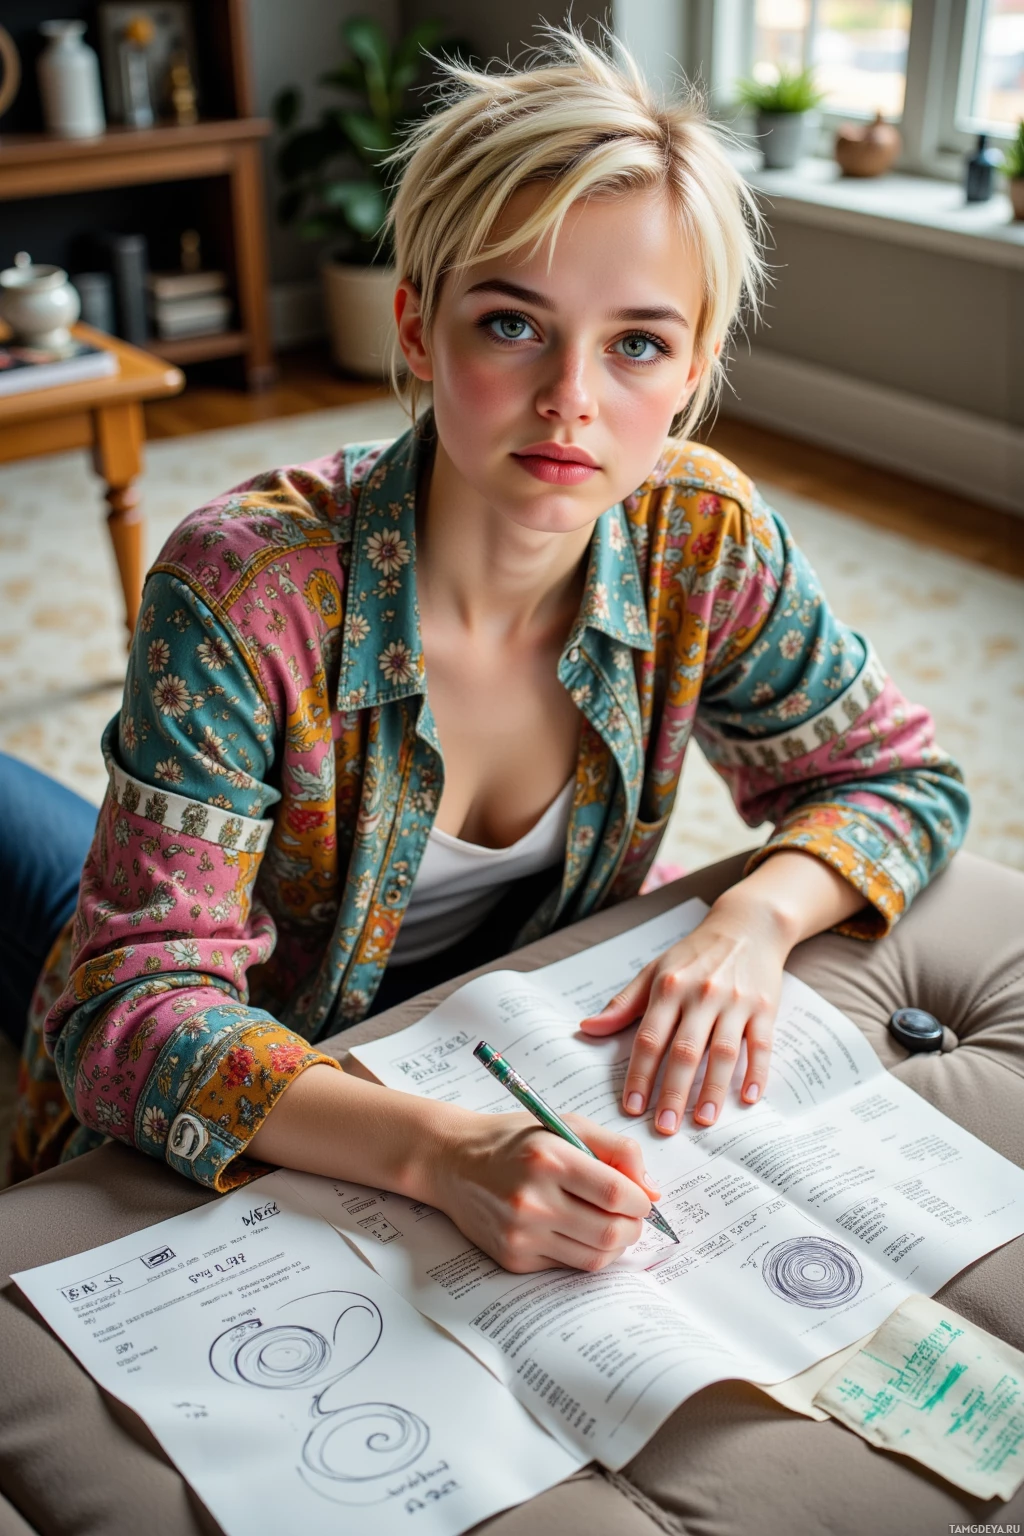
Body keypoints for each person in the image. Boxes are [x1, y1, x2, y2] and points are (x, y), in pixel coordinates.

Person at [7, 29, 967, 1276]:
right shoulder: (245, 585)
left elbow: (901, 778)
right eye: (514, 323)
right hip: (295, 1057)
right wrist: (443, 1154)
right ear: (417, 326)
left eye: (636, 343)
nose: (573, 397)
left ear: (691, 370)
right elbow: (126, 1011)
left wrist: (753, 918)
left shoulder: (703, 540)